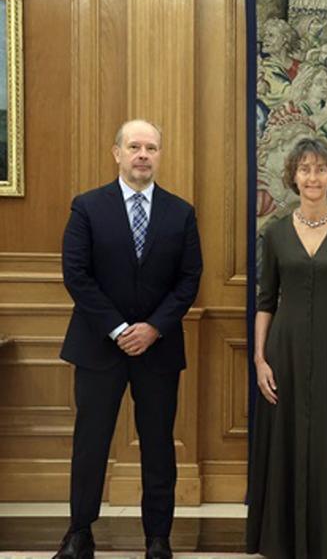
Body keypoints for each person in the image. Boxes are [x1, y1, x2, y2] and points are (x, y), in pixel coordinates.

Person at [55, 119, 203, 559]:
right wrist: (120, 329)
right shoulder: (86, 207)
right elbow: (76, 276)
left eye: (151, 148)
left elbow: (189, 279)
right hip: (100, 345)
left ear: (159, 155)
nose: (143, 154)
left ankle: (158, 538)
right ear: (116, 152)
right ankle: (79, 533)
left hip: (158, 348)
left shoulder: (181, 213)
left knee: (158, 443)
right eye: (134, 146)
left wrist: (153, 328)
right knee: (91, 441)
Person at [246, 137, 327, 558]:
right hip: (286, 348)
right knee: (286, 438)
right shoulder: (275, 233)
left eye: (319, 169)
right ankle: (280, 537)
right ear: (293, 177)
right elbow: (265, 301)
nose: (312, 177)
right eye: (304, 169)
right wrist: (260, 359)